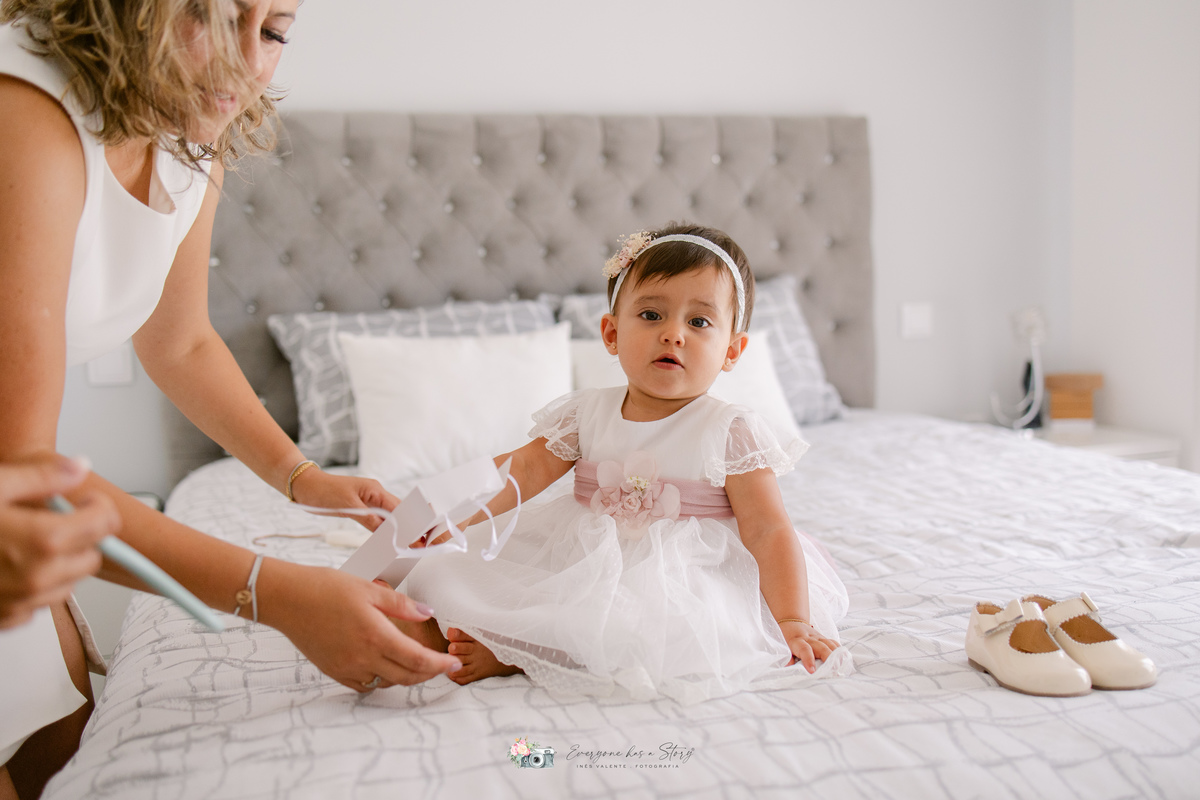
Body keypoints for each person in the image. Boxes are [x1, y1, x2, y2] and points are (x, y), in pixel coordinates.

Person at [0, 2, 460, 797]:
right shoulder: (27, 110)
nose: (246, 64)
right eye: (209, 19)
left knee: (60, 756)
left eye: (274, 31)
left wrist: (301, 475)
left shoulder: (186, 132)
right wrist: (281, 597)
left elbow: (179, 341)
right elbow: (24, 471)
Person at [401, 223, 852, 705]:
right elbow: (523, 470)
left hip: (682, 573)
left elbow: (767, 530)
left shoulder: (730, 429)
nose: (673, 334)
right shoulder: (586, 413)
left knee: (653, 628)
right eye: (652, 314)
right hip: (583, 554)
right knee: (450, 572)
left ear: (732, 351)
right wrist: (459, 514)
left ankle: (514, 653)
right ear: (612, 333)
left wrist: (792, 621)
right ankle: (518, 637)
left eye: (699, 323)